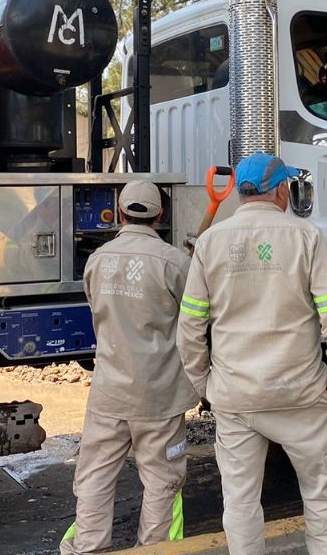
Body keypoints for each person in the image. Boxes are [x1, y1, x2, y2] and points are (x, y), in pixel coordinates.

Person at [178, 152, 327, 555]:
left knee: (240, 502)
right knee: (322, 497)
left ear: (242, 194)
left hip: (236, 396)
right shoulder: (306, 236)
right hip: (301, 394)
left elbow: (189, 327)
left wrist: (205, 384)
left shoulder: (210, 242)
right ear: (281, 189)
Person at [61, 181, 198, 555]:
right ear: (160, 215)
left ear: (120, 214)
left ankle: (88, 548)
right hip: (159, 394)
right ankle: (153, 550)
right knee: (162, 481)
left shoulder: (97, 260)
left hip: (109, 391)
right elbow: (197, 315)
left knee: (94, 477)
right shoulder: (175, 262)